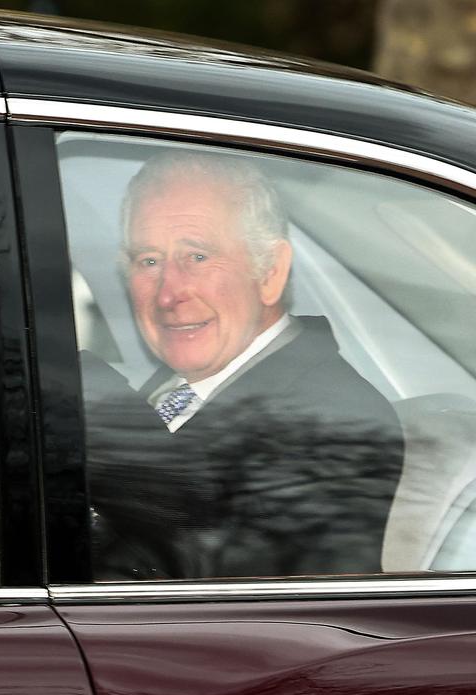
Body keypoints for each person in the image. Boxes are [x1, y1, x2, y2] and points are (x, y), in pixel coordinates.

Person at [84, 151, 405, 580]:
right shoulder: (177, 388)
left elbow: (219, 599)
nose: (168, 293)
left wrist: (98, 415)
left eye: (196, 257)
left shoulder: (331, 422)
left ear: (271, 271)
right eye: (149, 261)